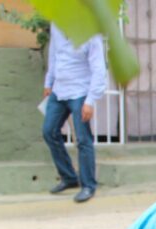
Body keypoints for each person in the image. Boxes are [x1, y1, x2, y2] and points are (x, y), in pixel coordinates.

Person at [42, 23, 107, 203]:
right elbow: (54, 55)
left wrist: (90, 101)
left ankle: (88, 185)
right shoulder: (57, 25)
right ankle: (69, 177)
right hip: (59, 90)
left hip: (80, 92)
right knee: (49, 131)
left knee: (83, 139)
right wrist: (49, 82)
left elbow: (98, 69)